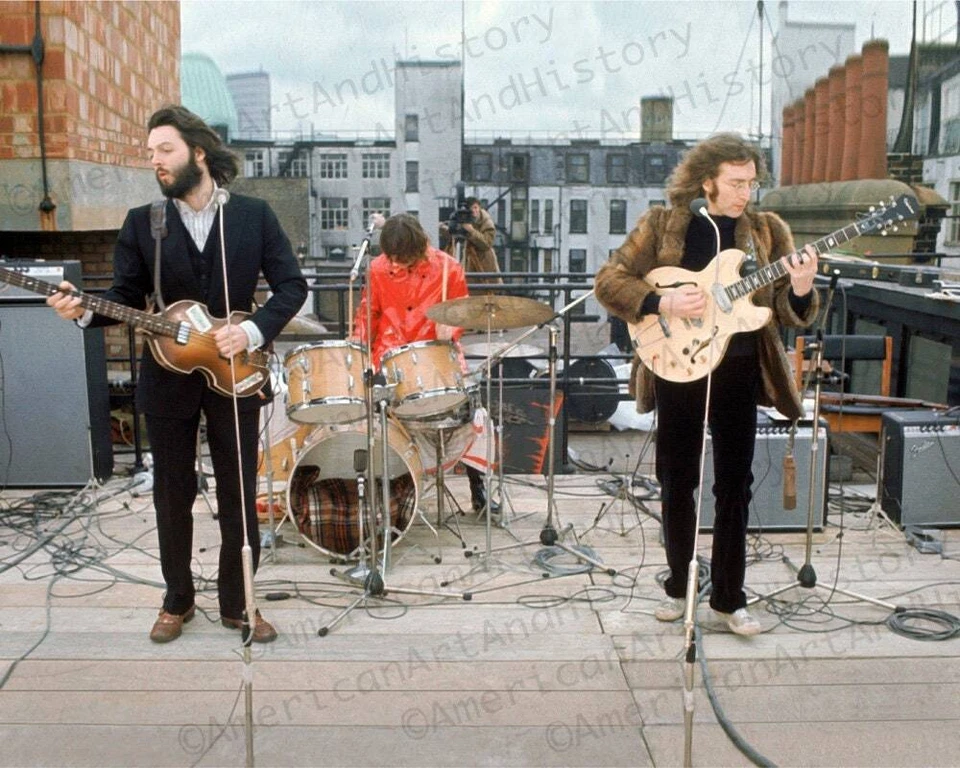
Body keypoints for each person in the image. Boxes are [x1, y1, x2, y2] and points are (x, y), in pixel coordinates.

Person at [47, 105, 307, 644]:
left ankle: (240, 604)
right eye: (150, 155)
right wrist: (86, 310)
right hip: (166, 380)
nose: (156, 162)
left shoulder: (254, 216)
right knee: (171, 493)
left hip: (236, 373)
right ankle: (177, 599)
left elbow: (291, 287)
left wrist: (253, 331)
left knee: (238, 491)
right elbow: (123, 297)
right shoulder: (145, 222)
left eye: (164, 150)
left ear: (198, 153)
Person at [594, 133, 819, 636]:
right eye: (736, 183)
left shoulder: (765, 231)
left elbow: (784, 309)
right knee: (677, 480)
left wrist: (801, 289)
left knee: (735, 483)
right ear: (706, 182)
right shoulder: (663, 224)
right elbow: (609, 281)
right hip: (678, 365)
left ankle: (728, 597)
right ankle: (679, 585)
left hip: (740, 368)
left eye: (752, 183)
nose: (745, 193)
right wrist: (661, 303)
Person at [353, 212, 497, 515]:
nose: (394, 263)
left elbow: (460, 311)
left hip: (438, 352)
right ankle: (393, 485)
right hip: (391, 353)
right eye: (390, 257)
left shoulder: (448, 267)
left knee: (474, 412)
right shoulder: (377, 269)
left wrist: (453, 327)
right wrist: (357, 350)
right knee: (380, 419)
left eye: (400, 258)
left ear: (417, 250)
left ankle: (478, 487)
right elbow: (369, 316)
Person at [441, 197, 502, 284]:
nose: (474, 211)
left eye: (476, 207)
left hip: (484, 261)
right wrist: (448, 229)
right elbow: (457, 236)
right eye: (471, 208)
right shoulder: (465, 219)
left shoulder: (486, 221)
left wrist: (471, 230)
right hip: (469, 259)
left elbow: (487, 244)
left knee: (485, 289)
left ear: (479, 208)